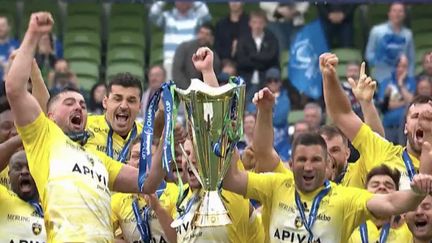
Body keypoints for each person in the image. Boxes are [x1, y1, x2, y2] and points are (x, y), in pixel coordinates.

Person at [5, 12, 165, 241]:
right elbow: (14, 89)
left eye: (82, 104)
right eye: (69, 103)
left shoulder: (98, 159)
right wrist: (33, 36)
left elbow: (150, 181)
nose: (79, 108)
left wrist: (167, 137)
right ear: (49, 116)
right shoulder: (44, 139)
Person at [223, 132, 432, 243]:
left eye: (315, 160)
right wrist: (226, 134)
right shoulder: (276, 185)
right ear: (291, 163)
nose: (308, 166)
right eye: (302, 159)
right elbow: (231, 180)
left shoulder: (345, 198)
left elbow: (392, 202)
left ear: (327, 164)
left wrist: (417, 193)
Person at [321, 51, 432, 190]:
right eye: (416, 116)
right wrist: (329, 76)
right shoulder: (384, 152)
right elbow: (341, 114)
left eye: (429, 117)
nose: (422, 121)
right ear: (405, 126)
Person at [111, 136, 179, 243]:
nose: (140, 162)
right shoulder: (117, 200)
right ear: (127, 163)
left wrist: (157, 208)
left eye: (148, 157)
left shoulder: (175, 192)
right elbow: (100, 234)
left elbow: (180, 238)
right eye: (135, 156)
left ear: (158, 164)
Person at [85, 73, 143, 163]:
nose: (123, 106)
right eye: (117, 99)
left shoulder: (147, 136)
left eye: (131, 101)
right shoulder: (85, 124)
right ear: (105, 102)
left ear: (140, 107)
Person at [348, 164, 412, 243]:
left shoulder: (410, 225)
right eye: (375, 185)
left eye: (388, 186)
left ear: (397, 193)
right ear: (364, 192)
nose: (382, 187)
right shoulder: (350, 224)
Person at [149, 1, 211, 81]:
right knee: (170, 90)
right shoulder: (167, 17)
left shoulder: (196, 18)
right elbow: (153, 14)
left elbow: (206, 16)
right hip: (171, 61)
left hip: (191, 61)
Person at [0, 150, 46, 241]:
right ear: (9, 175)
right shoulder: (2, 199)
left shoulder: (53, 211)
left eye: (30, 167)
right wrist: (16, 140)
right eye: (18, 168)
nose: (24, 172)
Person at [235, 9, 279, 104]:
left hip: (266, 78)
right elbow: (241, 61)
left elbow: (271, 58)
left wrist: (252, 56)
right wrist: (261, 62)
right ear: (250, 23)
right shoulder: (243, 39)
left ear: (265, 24)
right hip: (247, 77)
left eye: (260, 23)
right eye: (255, 22)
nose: (257, 26)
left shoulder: (272, 39)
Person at [365, 2, 415, 83]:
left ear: (404, 15)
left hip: (401, 76)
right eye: (394, 11)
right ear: (389, 13)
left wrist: (410, 78)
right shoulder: (376, 31)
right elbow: (369, 55)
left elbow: (411, 59)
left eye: (400, 11)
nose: (397, 14)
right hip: (381, 74)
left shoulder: (408, 34)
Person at [378, 54, 415, 145]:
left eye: (404, 66)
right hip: (389, 127)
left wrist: (401, 84)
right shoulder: (386, 82)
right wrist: (404, 102)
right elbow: (386, 105)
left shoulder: (412, 81)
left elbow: (412, 102)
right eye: (399, 66)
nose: (401, 69)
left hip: (406, 128)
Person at [172, 23, 221, 89]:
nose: (203, 36)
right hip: (184, 90)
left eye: (207, 34)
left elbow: (215, 77)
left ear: (212, 38)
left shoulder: (213, 56)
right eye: (201, 32)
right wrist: (189, 90)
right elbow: (177, 72)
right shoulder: (184, 48)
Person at [0, 16, 19, 82]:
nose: (0, 28)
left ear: (9, 27)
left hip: (10, 85)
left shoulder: (17, 45)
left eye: (2, 25)